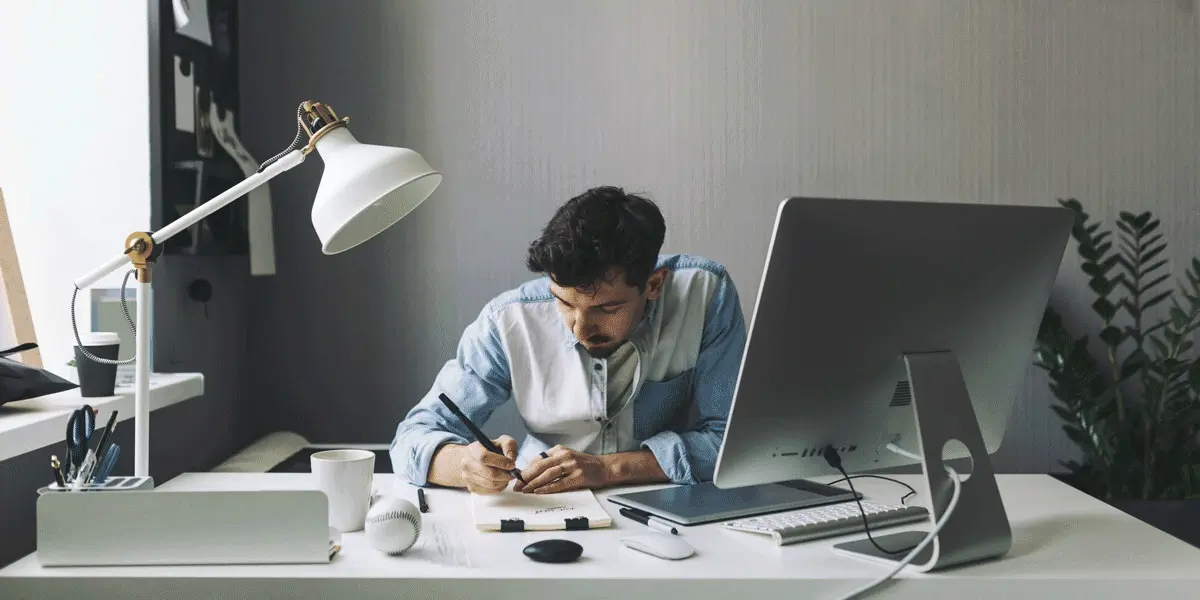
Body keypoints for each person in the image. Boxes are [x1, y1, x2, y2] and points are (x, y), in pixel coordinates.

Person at [390, 186, 746, 495]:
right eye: (563, 302)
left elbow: (734, 442)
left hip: (665, 506)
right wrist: (464, 466)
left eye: (607, 308)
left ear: (653, 285)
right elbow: (411, 438)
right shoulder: (508, 320)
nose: (579, 328)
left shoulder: (705, 294)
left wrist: (609, 469)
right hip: (539, 506)